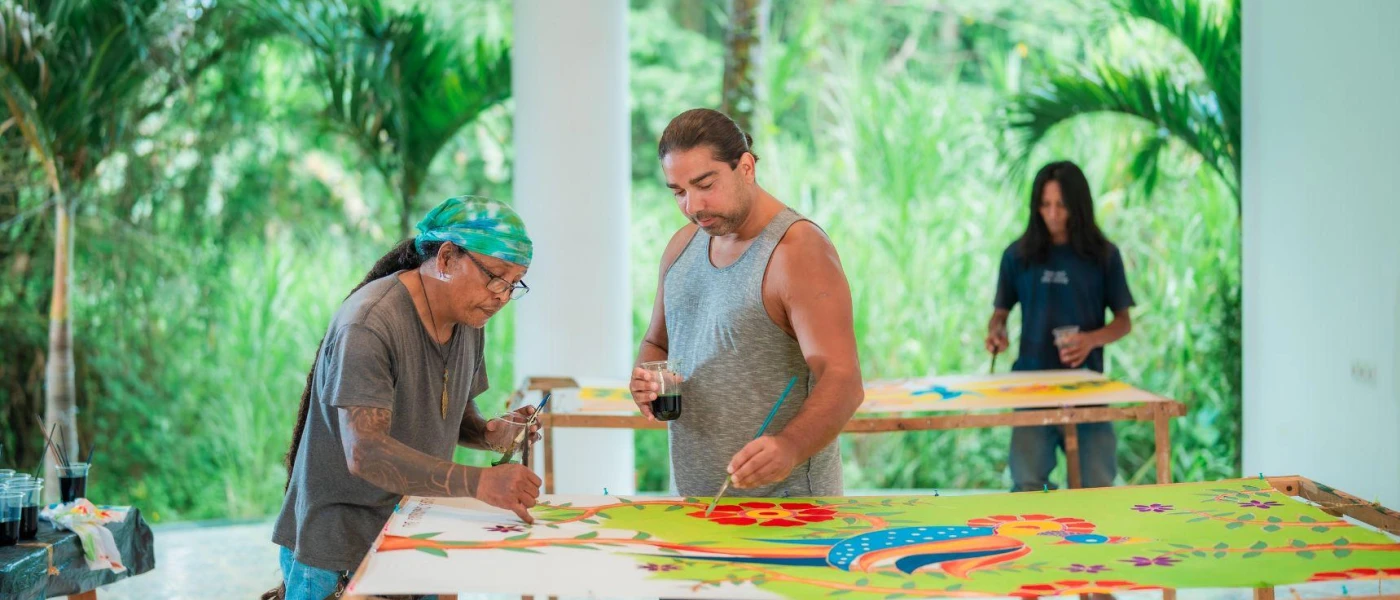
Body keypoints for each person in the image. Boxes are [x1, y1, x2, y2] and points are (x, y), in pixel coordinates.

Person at [267, 196, 543, 600]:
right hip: (340, 548)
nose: (502, 296)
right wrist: (480, 482)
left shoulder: (469, 318)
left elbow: (453, 409)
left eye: (514, 283)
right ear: (447, 259)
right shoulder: (370, 323)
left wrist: (490, 433)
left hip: (415, 531)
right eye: (495, 277)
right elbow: (366, 453)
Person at [629, 108, 864, 498]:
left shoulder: (798, 251)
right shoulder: (681, 247)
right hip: (695, 504)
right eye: (679, 192)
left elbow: (843, 381)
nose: (692, 206)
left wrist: (789, 447)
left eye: (706, 184)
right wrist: (646, 380)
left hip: (789, 513)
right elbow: (657, 344)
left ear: (747, 167)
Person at [985, 161, 1135, 492]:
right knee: (1026, 485)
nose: (1052, 214)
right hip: (1031, 386)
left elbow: (1124, 323)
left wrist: (1090, 340)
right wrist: (997, 331)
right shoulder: (1017, 256)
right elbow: (1000, 313)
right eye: (1045, 205)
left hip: (1088, 389)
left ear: (1078, 206)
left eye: (1061, 205)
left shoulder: (1104, 256)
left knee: (1097, 486)